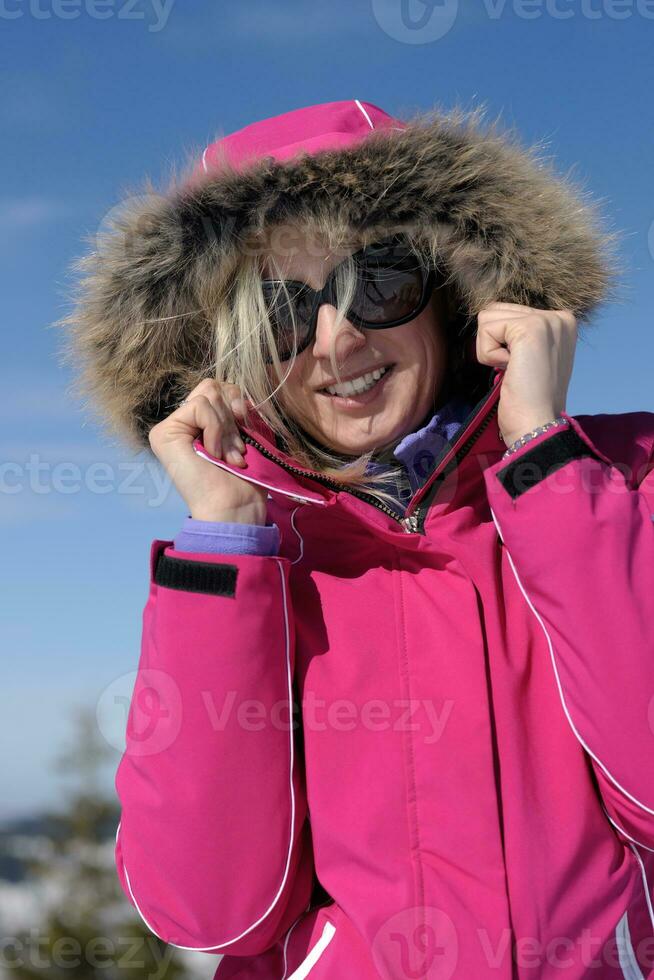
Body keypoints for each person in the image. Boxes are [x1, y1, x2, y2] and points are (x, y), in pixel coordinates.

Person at [61, 100, 654, 979]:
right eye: (283, 311)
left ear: (455, 296)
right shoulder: (250, 568)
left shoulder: (622, 477)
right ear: (234, 351)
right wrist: (225, 541)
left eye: (379, 281)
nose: (338, 340)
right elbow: (210, 912)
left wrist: (543, 459)